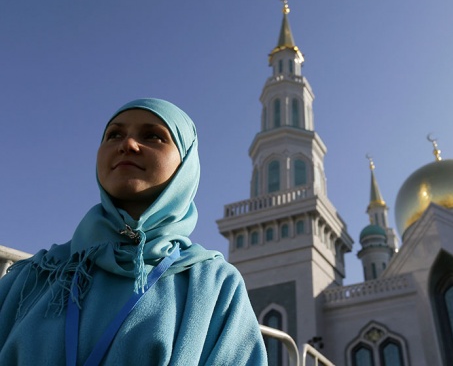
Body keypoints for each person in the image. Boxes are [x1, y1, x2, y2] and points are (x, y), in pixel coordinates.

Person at [0, 98, 268, 365]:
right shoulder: (37, 275)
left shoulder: (213, 285)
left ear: (185, 164)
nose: (127, 144)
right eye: (114, 134)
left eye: (153, 136)